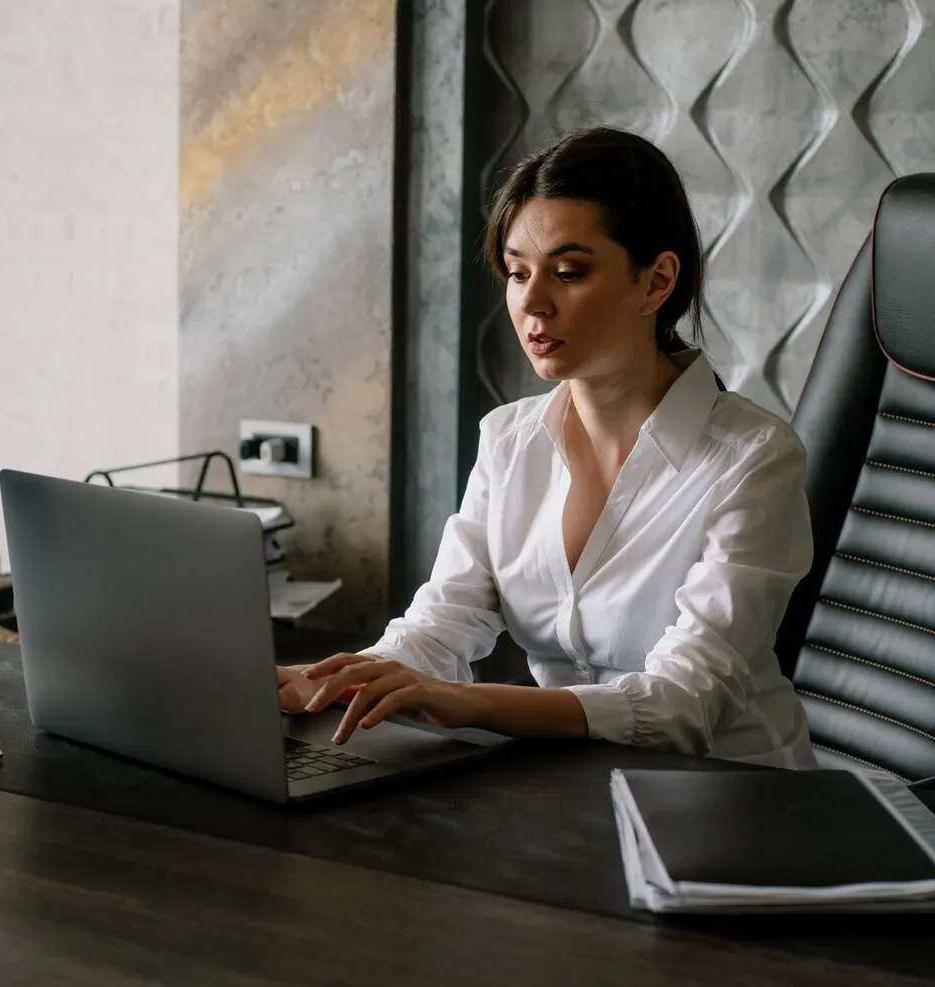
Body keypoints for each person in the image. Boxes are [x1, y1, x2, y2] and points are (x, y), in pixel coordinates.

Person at [279, 126, 817, 768]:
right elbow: (441, 625)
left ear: (656, 282)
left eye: (568, 272)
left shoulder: (753, 458)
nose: (531, 302)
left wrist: (471, 703)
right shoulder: (508, 440)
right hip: (572, 788)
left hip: (734, 799)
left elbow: (685, 703)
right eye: (515, 272)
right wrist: (338, 680)